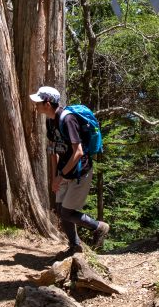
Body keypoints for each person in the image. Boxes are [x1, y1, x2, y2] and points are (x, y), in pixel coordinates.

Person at [29, 85, 109, 256]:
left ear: (48, 103)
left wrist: (61, 176)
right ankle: (75, 247)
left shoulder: (68, 120)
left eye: (38, 102)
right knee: (60, 210)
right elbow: (53, 149)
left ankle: (99, 227)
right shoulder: (50, 120)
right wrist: (54, 177)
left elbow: (78, 152)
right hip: (64, 171)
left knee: (67, 212)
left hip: (80, 172)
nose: (36, 105)